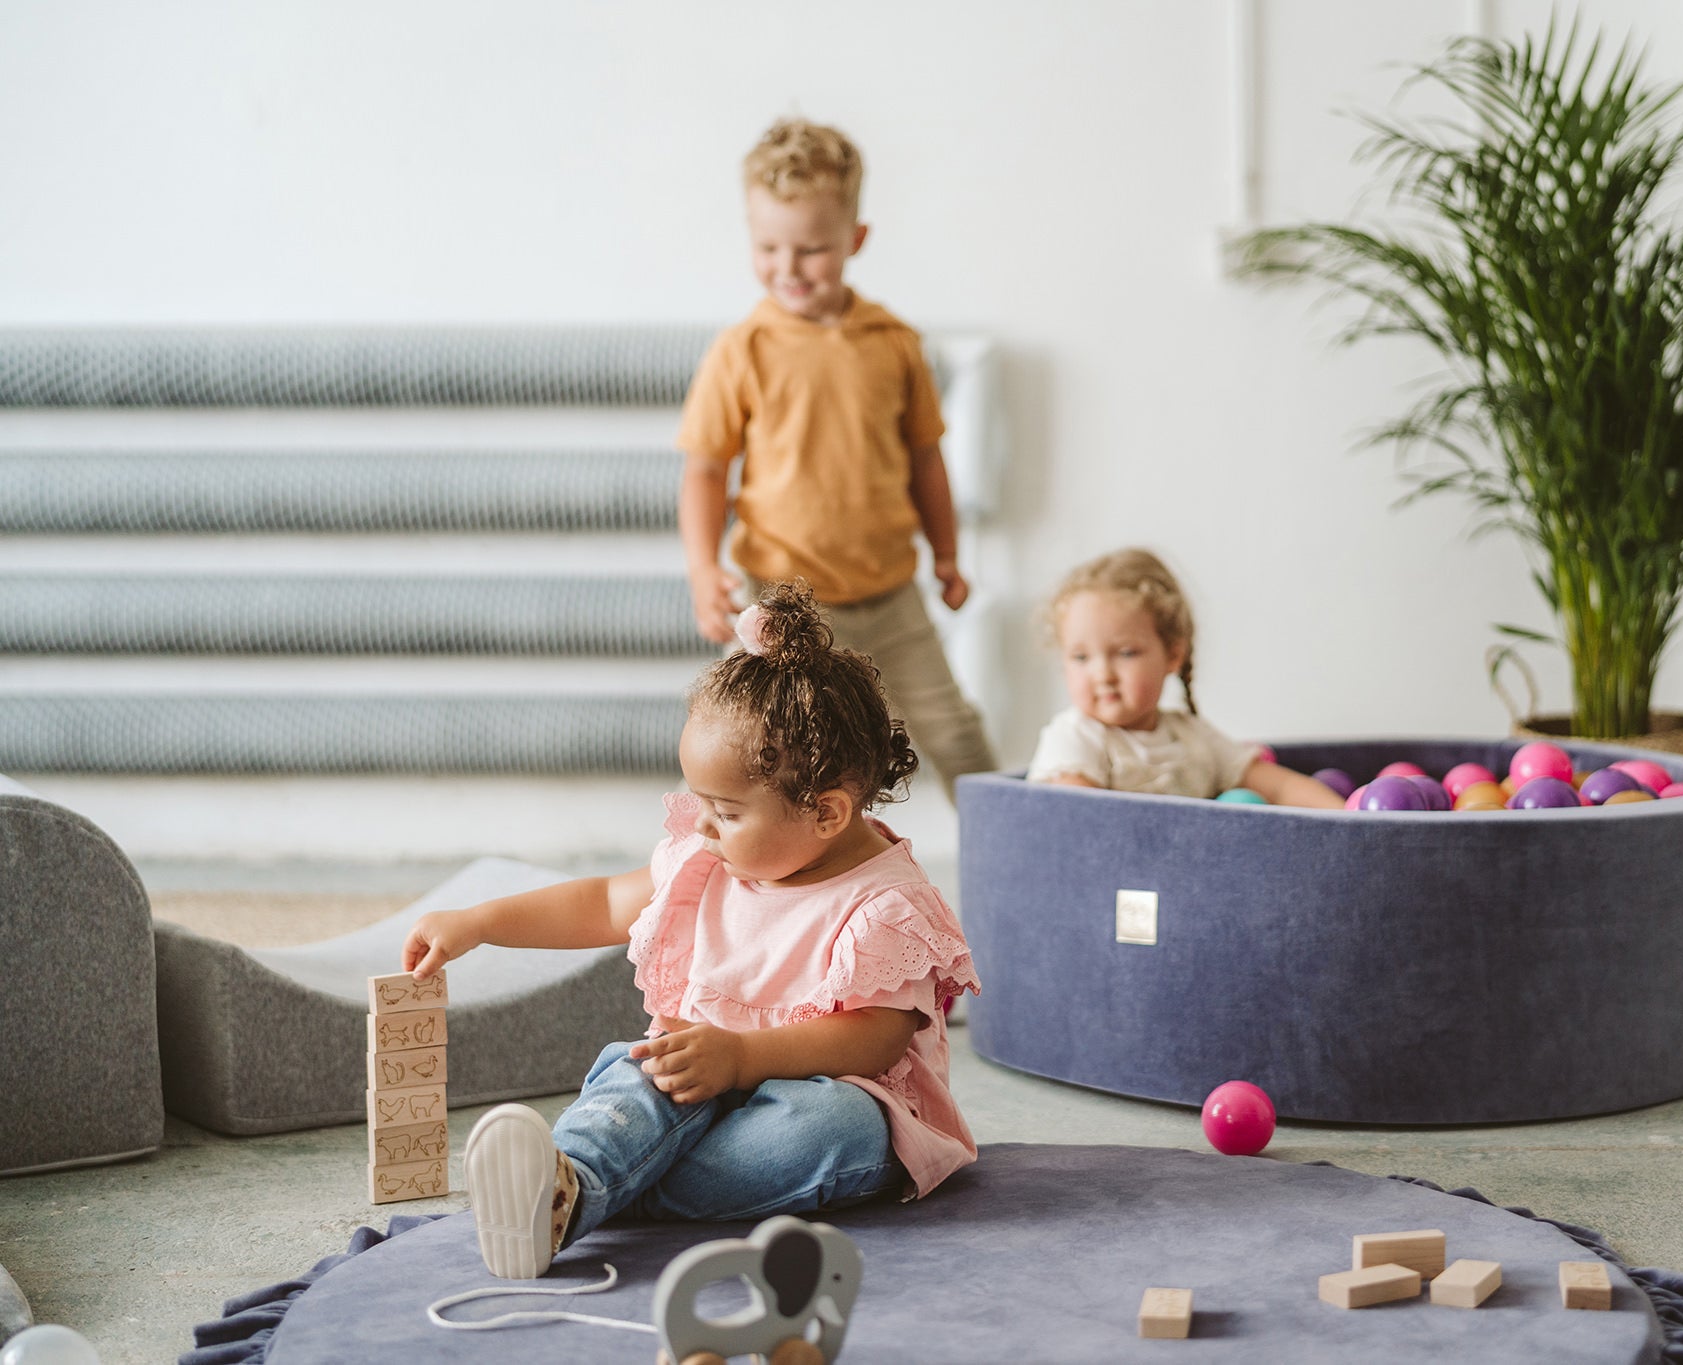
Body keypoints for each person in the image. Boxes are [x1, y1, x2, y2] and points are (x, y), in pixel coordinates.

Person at [403, 581, 980, 1279]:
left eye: (726, 810)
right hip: (706, 1075)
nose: (701, 824)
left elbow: (875, 1035)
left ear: (827, 811)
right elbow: (604, 901)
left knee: (829, 1130)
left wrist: (741, 1057)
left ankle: (589, 1195)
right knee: (638, 1069)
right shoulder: (708, 858)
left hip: (833, 1093)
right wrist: (481, 921)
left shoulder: (886, 904)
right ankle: (571, 1177)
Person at [678, 117, 998, 802]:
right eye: (768, 247)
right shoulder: (743, 350)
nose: (788, 268)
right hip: (782, 603)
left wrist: (946, 554)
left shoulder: (893, 342)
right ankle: (736, 880)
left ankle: (1019, 873)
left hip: (891, 599)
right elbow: (706, 469)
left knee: (958, 735)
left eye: (812, 249)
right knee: (754, 748)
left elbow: (925, 458)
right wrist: (704, 567)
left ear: (854, 241)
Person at [1026, 548, 1344, 808]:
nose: (1102, 674)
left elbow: (1280, 787)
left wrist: (1349, 820)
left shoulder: (1193, 737)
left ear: (1172, 655)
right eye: (1080, 657)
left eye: (1125, 653)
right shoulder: (1075, 738)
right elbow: (1077, 822)